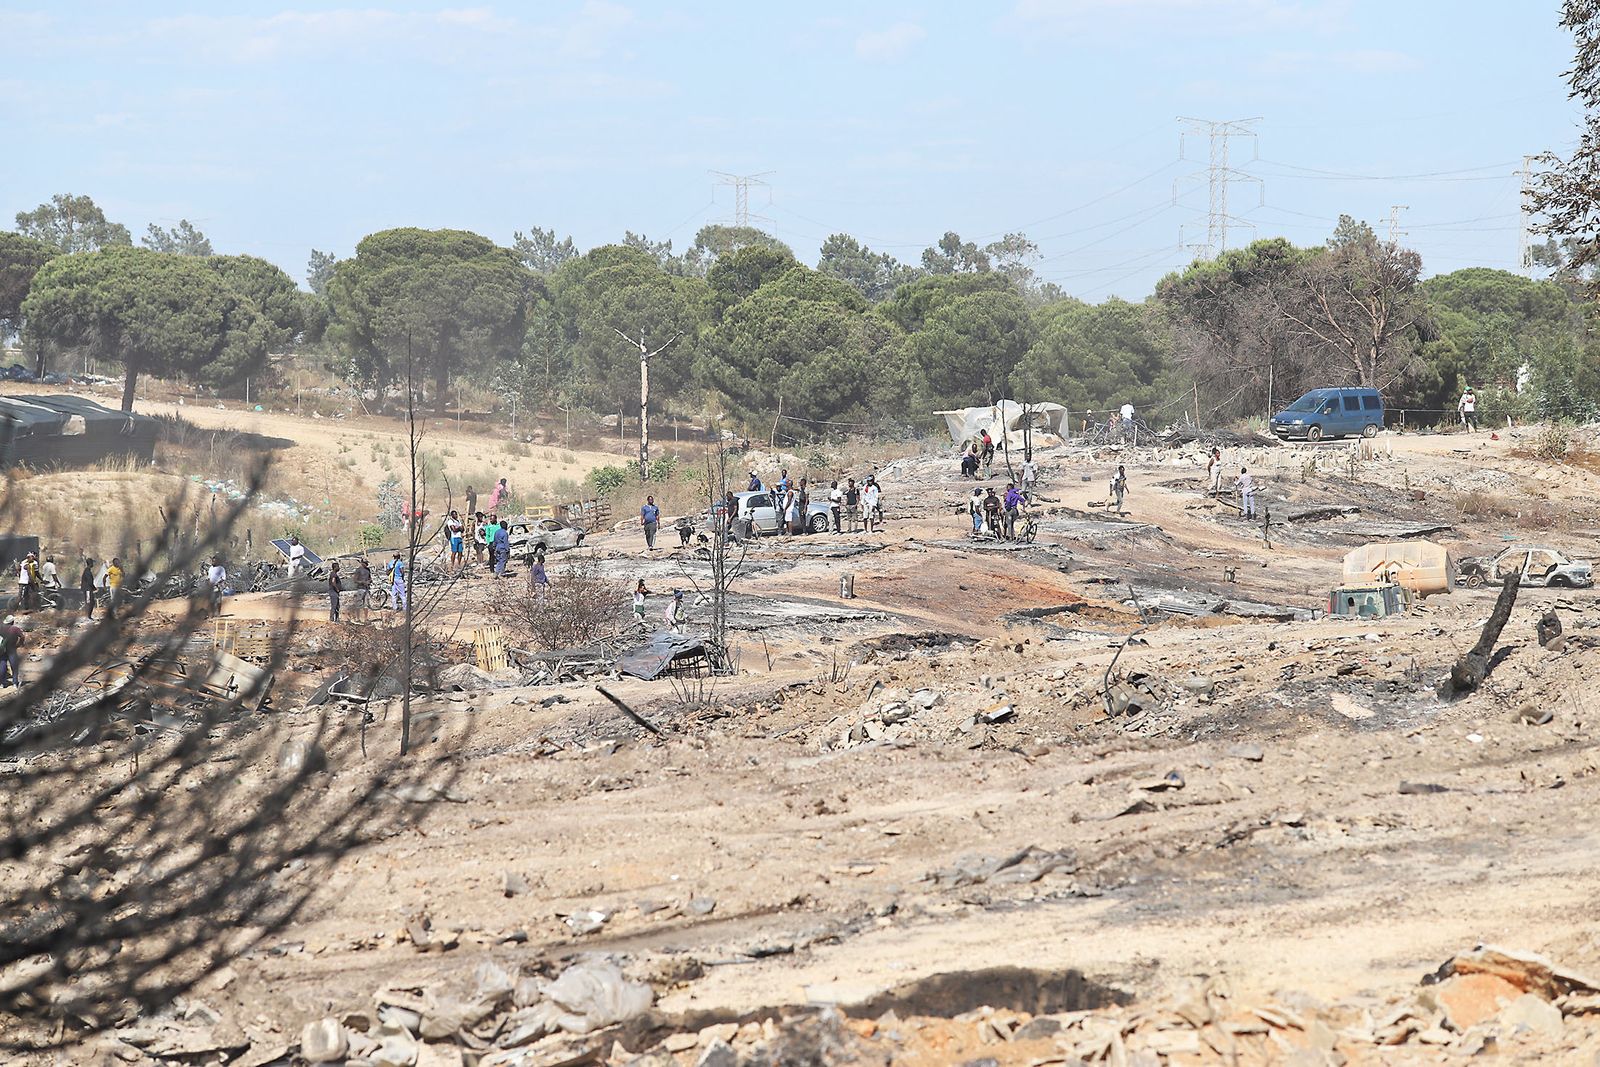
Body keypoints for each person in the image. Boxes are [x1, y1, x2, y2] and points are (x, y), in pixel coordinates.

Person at [0, 615, 23, 689]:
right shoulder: (15, 629)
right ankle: (15, 683)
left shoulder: (1, 628)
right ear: (12, 622)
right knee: (14, 667)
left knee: (2, 666)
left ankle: (2, 683)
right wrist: (19, 644)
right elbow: (22, 637)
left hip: (2, 650)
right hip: (12, 649)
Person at [354, 557, 372, 621]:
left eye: (367, 563)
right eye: (365, 563)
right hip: (360, 589)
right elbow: (355, 580)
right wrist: (363, 582)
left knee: (366, 604)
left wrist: (369, 581)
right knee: (358, 604)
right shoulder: (358, 570)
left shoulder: (368, 570)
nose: (366, 564)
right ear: (362, 563)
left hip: (367, 589)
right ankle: (357, 618)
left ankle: (366, 618)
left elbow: (370, 578)